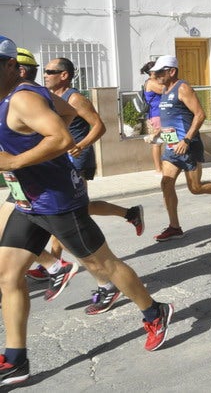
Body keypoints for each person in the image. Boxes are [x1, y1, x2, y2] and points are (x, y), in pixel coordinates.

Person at [0, 37, 174, 387]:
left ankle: (154, 312)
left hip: (55, 199)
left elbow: (62, 137)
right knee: (7, 276)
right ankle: (16, 359)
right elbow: (64, 112)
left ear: (9, 66)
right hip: (28, 200)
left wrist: (16, 161)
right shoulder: (19, 98)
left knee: (102, 264)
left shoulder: (22, 98)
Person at [42, 57, 145, 314]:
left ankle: (57, 264)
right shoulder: (49, 96)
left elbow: (99, 126)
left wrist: (82, 145)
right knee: (78, 209)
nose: (44, 75)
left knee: (68, 213)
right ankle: (129, 213)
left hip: (77, 158)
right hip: (62, 160)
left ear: (64, 75)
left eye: (50, 71)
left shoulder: (75, 98)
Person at [149, 55, 211, 241]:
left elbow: (200, 115)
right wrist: (158, 131)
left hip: (187, 146)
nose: (156, 75)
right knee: (166, 184)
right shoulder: (165, 90)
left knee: (196, 188)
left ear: (171, 71)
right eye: (155, 72)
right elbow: (174, 116)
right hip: (171, 147)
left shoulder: (182, 88)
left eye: (160, 71)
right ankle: (174, 227)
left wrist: (187, 140)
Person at [141, 60, 164, 174]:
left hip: (157, 114)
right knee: (157, 142)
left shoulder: (152, 81)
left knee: (162, 140)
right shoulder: (151, 83)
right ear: (153, 71)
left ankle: (162, 167)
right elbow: (165, 90)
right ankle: (158, 169)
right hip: (157, 114)